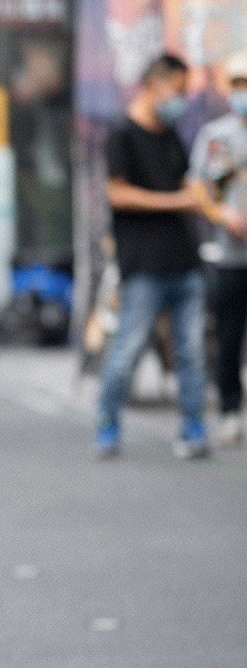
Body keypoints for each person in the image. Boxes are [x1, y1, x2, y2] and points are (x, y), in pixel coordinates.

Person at [94, 53, 209, 458]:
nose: (180, 99)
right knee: (127, 348)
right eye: (177, 90)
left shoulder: (170, 133)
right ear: (153, 84)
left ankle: (194, 429)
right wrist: (175, 201)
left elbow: (184, 183)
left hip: (184, 260)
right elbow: (117, 193)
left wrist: (199, 191)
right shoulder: (123, 133)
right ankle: (106, 424)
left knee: (191, 352)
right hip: (143, 263)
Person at [189, 49, 247, 445]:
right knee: (229, 335)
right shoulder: (221, 138)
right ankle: (230, 409)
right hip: (231, 255)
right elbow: (203, 190)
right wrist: (223, 215)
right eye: (239, 85)